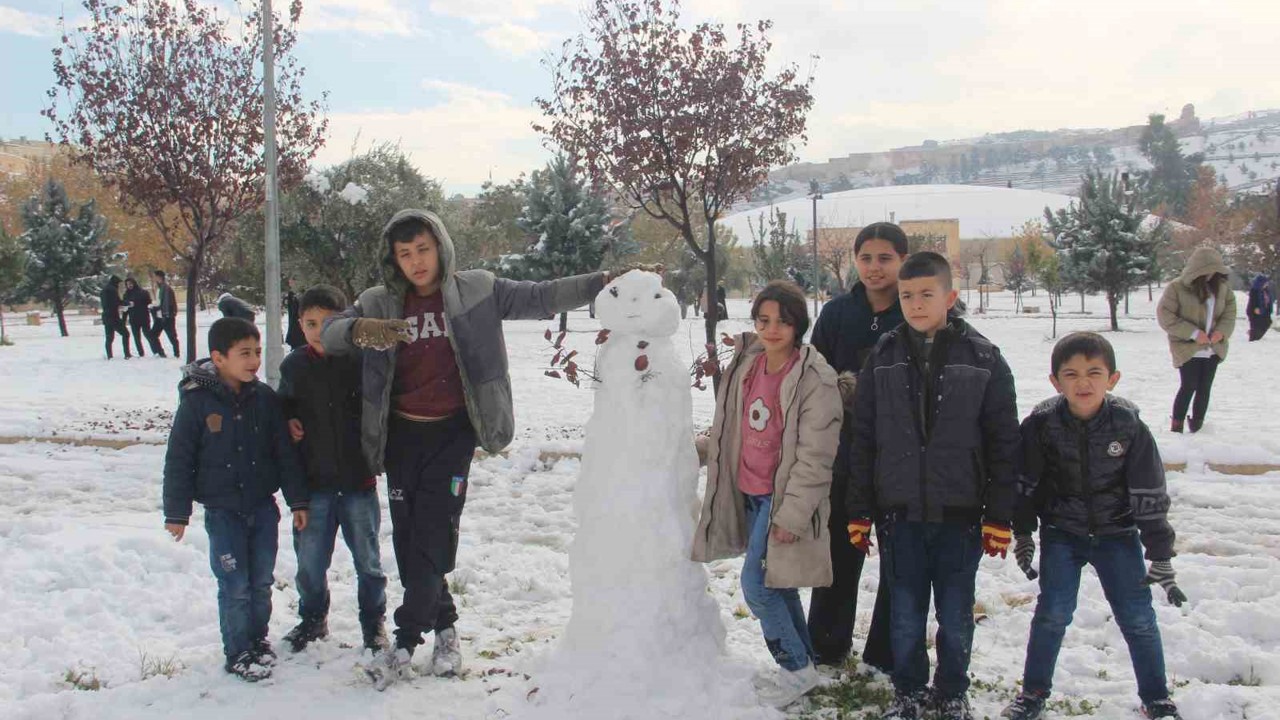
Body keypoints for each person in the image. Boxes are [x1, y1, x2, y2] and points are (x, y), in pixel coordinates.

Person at [321, 209, 611, 689]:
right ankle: (448, 629)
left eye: (423, 250)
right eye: (405, 254)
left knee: (433, 532)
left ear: (440, 246)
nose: (416, 262)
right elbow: (329, 333)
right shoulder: (378, 301)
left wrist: (599, 282)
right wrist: (359, 330)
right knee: (412, 537)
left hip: (452, 434)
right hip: (400, 438)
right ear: (393, 259)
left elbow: (539, 297)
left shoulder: (477, 289)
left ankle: (406, 641)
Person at [847, 252, 1020, 720]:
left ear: (950, 296)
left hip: (960, 514)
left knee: (955, 614)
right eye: (907, 296)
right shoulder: (882, 357)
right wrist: (860, 509)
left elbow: (1005, 443)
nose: (916, 304)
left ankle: (950, 691)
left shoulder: (983, 358)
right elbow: (863, 438)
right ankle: (908, 691)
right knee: (904, 614)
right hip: (899, 513)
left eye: (927, 294)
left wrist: (1001, 516)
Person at [1001, 332, 1185, 720]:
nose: (1083, 383)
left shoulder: (1128, 425)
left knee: (1137, 617)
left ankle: (1157, 698)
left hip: (1117, 535)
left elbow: (1149, 491)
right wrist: (1023, 532)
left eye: (1093, 373)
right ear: (1055, 381)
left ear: (1112, 378)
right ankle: (1032, 694)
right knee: (1052, 613)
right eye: (1071, 374)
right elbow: (1025, 483)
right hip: (1062, 535)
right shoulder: (1041, 426)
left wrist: (1161, 554)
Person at [692, 280, 843, 709]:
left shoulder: (815, 378)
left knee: (757, 586)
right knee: (778, 583)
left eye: (783, 321)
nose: (772, 329)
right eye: (763, 320)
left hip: (782, 502)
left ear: (799, 326)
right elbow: (731, 429)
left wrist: (791, 517)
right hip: (750, 493)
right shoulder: (748, 364)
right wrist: (697, 452)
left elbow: (815, 458)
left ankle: (793, 668)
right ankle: (805, 666)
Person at [161, 317, 310, 681]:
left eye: (257, 352)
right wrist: (176, 512)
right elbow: (179, 458)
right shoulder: (197, 403)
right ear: (219, 357)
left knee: (260, 581)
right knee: (234, 584)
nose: (254, 360)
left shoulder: (265, 400)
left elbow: (284, 454)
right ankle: (238, 650)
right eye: (244, 353)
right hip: (223, 512)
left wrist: (298, 502)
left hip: (262, 508)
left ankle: (258, 641)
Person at [806, 221, 907, 672]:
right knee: (839, 551)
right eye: (866, 257)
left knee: (900, 559)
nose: (874, 267)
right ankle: (827, 646)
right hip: (846, 454)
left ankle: (886, 652)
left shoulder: (915, 309)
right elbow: (815, 379)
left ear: (902, 261)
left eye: (885, 258)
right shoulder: (836, 314)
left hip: (902, 457)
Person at [277, 285, 387, 654]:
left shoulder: (361, 361)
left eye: (329, 323)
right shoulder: (293, 366)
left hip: (358, 483)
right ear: (299, 324)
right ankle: (312, 618)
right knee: (309, 564)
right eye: (310, 323)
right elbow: (283, 409)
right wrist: (288, 420)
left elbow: (381, 406)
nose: (319, 331)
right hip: (315, 488)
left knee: (369, 563)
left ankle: (373, 624)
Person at [1156, 247, 1236, 434]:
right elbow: (1165, 315)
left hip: (1213, 348)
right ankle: (1177, 425)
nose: (1211, 274)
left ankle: (1198, 425)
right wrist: (1193, 333)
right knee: (1189, 385)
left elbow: (1229, 314)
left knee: (1204, 387)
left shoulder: (1223, 289)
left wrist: (1221, 333)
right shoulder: (1177, 287)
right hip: (1187, 348)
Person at [123, 277, 163, 357]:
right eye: (127, 284)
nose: (129, 285)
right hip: (133, 318)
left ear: (134, 283)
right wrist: (123, 320)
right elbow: (125, 308)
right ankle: (141, 353)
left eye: (130, 283)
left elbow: (149, 303)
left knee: (148, 334)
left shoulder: (143, 292)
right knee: (136, 337)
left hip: (144, 317)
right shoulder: (126, 295)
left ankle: (156, 351)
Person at [99, 275, 131, 360]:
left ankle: (109, 355)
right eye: (119, 284)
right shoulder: (112, 290)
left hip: (106, 316)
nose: (119, 285)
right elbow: (117, 302)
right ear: (115, 283)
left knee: (109, 337)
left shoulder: (104, 290)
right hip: (113, 316)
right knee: (126, 334)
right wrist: (127, 303)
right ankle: (127, 354)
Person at [151, 269, 180, 357]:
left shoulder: (166, 288)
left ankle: (176, 353)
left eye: (155, 276)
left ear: (159, 277)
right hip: (160, 316)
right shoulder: (160, 288)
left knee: (171, 335)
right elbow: (159, 301)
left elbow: (167, 302)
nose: (154, 278)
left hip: (166, 316)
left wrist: (166, 314)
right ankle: (160, 352)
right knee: (152, 335)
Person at [1246, 273, 1273, 341]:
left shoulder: (1266, 291)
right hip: (1255, 311)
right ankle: (1253, 338)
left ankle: (1253, 334)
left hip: (1265, 311)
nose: (1267, 284)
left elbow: (1269, 300)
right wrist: (1256, 308)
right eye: (1265, 283)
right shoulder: (1254, 291)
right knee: (1256, 326)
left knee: (1268, 322)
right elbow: (1253, 301)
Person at [284, 281, 307, 350]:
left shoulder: (302, 294)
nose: (290, 283)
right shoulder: (291, 295)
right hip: (295, 331)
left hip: (301, 333)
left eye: (292, 281)